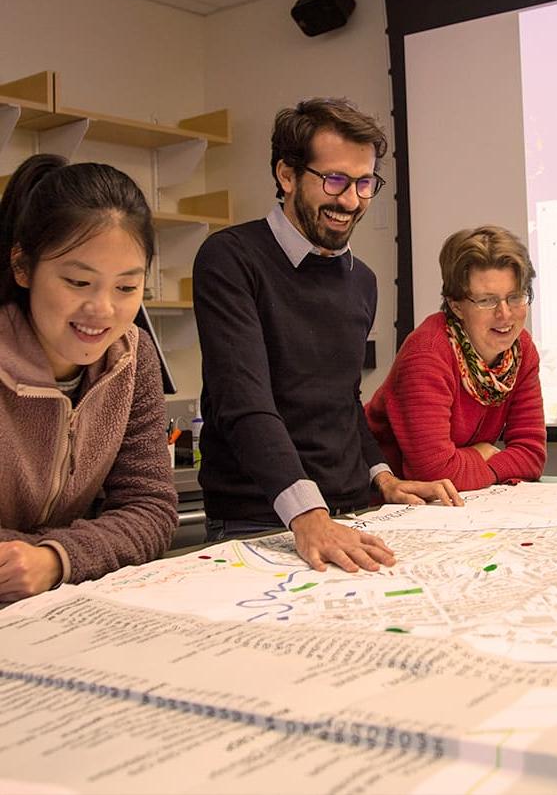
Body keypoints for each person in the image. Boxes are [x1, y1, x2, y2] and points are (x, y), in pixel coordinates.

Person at [192, 98, 461, 575]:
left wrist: (383, 478)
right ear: (287, 175)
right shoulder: (230, 259)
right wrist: (308, 514)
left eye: (364, 183)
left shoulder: (362, 281)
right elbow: (244, 402)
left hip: (351, 512)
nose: (351, 201)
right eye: (334, 180)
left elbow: (343, 401)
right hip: (261, 521)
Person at [0, 154, 179, 601]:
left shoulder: (133, 359)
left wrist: (55, 558)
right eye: (79, 283)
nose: (103, 310)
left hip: (57, 604)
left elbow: (151, 509)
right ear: (23, 267)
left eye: (125, 287)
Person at [366, 226, 546, 490]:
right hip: (380, 502)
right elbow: (433, 473)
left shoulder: (521, 350)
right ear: (456, 305)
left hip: (456, 504)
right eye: (487, 300)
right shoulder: (426, 354)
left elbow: (531, 455)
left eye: (515, 297)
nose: (505, 314)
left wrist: (479, 463)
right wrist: (481, 453)